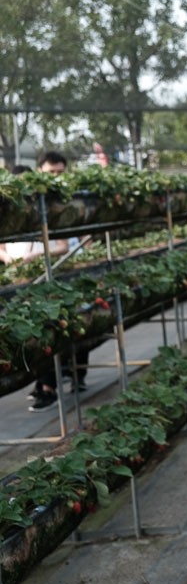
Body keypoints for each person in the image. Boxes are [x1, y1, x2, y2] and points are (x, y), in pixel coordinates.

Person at [4, 152, 91, 411]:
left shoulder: (57, 203)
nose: (56, 177)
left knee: (54, 325)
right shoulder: (21, 204)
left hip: (55, 273)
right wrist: (8, 256)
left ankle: (57, 382)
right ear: (39, 170)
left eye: (60, 172)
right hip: (22, 274)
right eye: (51, 172)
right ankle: (45, 383)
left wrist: (35, 254)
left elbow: (64, 244)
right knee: (35, 327)